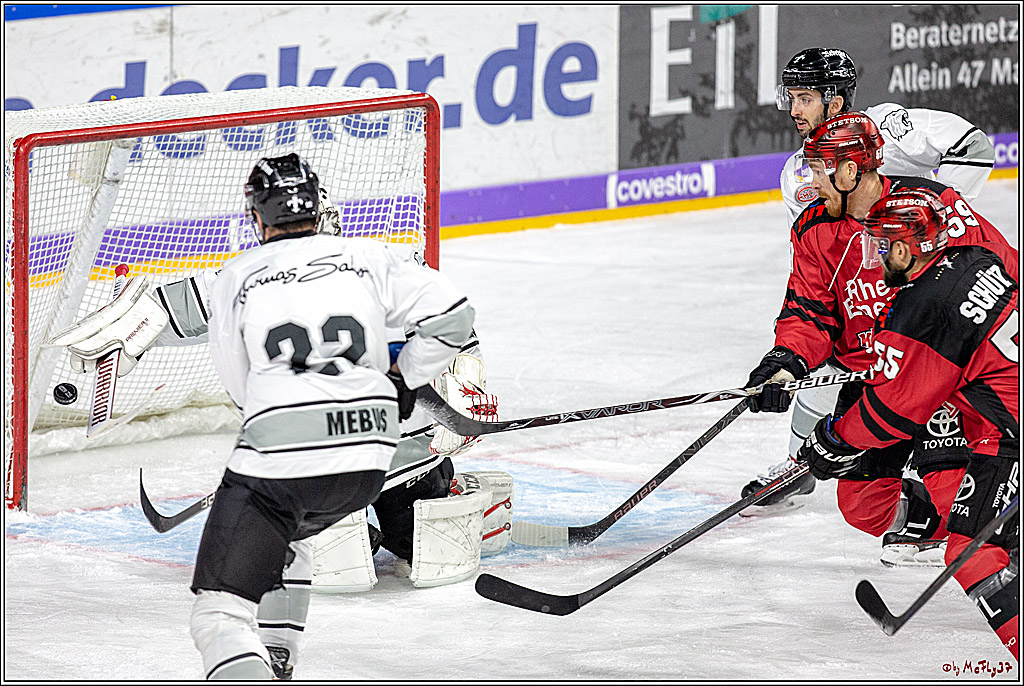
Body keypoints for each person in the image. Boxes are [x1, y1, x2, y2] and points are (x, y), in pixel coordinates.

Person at [49, 153, 482, 680]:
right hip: (368, 459)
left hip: (288, 458)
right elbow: (455, 318)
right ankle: (277, 660)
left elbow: (240, 386)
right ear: (321, 210)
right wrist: (400, 382)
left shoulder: (239, 275)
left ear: (257, 216)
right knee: (294, 537)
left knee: (219, 614)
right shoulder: (373, 258)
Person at [741, 112, 1015, 568]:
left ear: (850, 170)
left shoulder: (929, 206)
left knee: (950, 480)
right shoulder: (814, 230)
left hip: (947, 374)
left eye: (819, 168)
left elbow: (996, 270)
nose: (812, 183)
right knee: (863, 504)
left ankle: (989, 543)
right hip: (880, 375)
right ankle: (930, 517)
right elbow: (809, 310)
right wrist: (786, 362)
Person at [797, 187, 1018, 658]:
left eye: (879, 244)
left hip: (1011, 434)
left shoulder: (922, 306)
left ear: (903, 248)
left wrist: (834, 440)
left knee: (971, 549)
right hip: (1001, 422)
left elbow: (894, 413)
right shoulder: (976, 258)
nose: (873, 256)